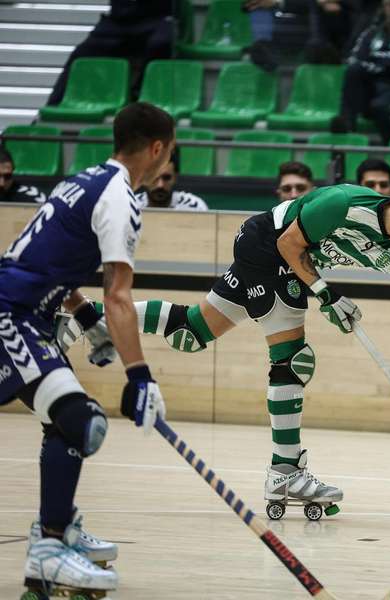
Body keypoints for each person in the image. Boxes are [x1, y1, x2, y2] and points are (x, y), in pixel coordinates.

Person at [75, 180, 390, 512]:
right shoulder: (343, 204)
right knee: (293, 359)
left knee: (191, 333)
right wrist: (327, 295)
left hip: (286, 261)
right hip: (268, 245)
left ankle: (84, 316)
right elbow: (290, 243)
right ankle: (285, 471)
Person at [0, 102, 172, 596]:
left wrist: (86, 320)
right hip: (12, 316)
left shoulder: (84, 179)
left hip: (23, 312)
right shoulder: (121, 197)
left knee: (72, 421)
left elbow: (48, 261)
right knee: (79, 421)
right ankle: (51, 546)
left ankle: (55, 534)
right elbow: (118, 293)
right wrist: (140, 376)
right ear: (158, 149)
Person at [330, 0, 390, 145]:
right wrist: (381, 66)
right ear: (384, 7)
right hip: (373, 94)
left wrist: (374, 60)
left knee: (383, 107)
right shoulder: (370, 34)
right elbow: (355, 59)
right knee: (354, 71)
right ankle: (347, 126)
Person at [46, 0, 174, 106]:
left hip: (156, 19)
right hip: (118, 21)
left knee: (161, 43)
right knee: (82, 53)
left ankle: (139, 94)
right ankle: (54, 104)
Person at [135, 147, 208, 211]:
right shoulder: (132, 206)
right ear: (144, 177)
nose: (160, 185)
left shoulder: (195, 207)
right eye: (154, 178)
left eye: (167, 178)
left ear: (175, 177)